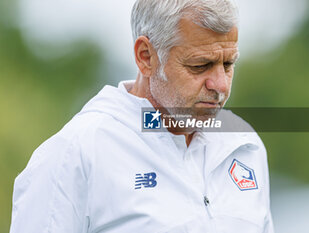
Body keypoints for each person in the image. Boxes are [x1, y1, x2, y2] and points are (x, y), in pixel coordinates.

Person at [10, 0, 274, 232]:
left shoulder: (243, 144)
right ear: (146, 57)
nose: (220, 85)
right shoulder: (75, 153)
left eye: (228, 65)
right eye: (200, 66)